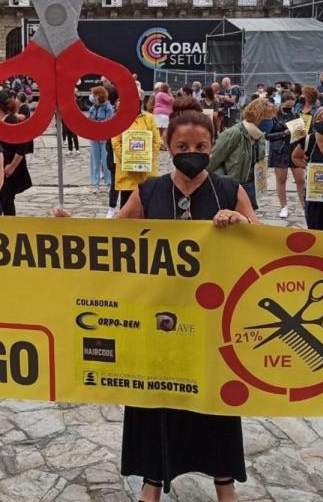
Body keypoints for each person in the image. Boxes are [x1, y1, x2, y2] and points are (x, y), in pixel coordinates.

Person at [54, 97, 255, 502]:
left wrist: (241, 223)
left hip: (210, 324)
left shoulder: (229, 191)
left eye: (201, 148)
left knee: (213, 405)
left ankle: (224, 482)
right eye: (183, 148)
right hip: (157, 320)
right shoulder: (149, 192)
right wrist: (71, 226)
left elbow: (263, 246)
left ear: (212, 146)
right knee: (153, 401)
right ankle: (152, 480)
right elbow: (111, 238)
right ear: (167, 145)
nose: (192, 155)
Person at [209, 98, 270, 210]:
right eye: (268, 119)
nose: (271, 122)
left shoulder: (259, 135)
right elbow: (213, 160)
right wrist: (224, 179)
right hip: (231, 185)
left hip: (250, 184)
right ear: (259, 118)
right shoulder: (234, 133)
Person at [109, 104, 161, 217]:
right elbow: (115, 141)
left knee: (147, 210)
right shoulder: (119, 119)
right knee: (126, 210)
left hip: (146, 174)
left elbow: (157, 141)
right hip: (127, 175)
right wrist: (126, 158)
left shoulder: (149, 118)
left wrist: (147, 157)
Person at [267, 91, 306, 218]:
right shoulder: (273, 116)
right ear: (282, 103)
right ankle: (283, 207)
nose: (290, 108)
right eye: (287, 105)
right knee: (281, 179)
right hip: (279, 150)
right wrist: (284, 133)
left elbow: (301, 134)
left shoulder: (296, 115)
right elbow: (267, 135)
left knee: (300, 179)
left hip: (295, 150)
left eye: (292, 105)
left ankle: (305, 206)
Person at [0, 91, 33, 216]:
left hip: (8, 169)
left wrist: (12, 166)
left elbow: (22, 143)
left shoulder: (10, 120)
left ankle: (10, 228)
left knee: (7, 201)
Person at [87, 86, 113, 187]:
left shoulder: (108, 107)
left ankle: (108, 181)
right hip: (94, 136)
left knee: (106, 159)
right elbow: (89, 121)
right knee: (95, 160)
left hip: (104, 137)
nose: (93, 97)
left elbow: (108, 121)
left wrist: (97, 123)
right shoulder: (92, 108)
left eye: (94, 95)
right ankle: (95, 181)